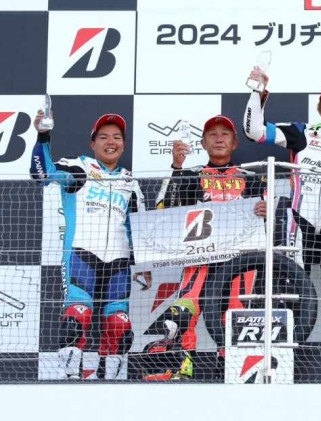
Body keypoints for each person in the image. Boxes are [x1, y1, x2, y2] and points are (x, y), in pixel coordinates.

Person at [243, 72, 321, 343]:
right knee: (290, 289)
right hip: (299, 222)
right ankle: (288, 350)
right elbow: (254, 131)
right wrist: (258, 94)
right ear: (320, 109)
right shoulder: (302, 133)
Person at [146, 115, 266, 379]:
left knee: (236, 312)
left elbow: (272, 221)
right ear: (202, 143)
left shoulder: (252, 178)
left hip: (240, 260)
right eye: (212, 134)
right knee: (185, 308)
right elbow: (163, 208)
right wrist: (177, 168)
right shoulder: (191, 175)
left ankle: (231, 370)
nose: (219, 139)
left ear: (235, 143)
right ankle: (183, 368)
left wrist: (266, 211)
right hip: (200, 257)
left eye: (225, 134)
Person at [30, 112, 145, 380]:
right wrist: (43, 136)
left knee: (119, 326)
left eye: (117, 137)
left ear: (123, 145)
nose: (111, 142)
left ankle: (109, 383)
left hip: (120, 262)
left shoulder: (130, 182)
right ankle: (71, 380)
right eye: (103, 137)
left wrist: (143, 265)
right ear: (93, 144)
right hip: (82, 255)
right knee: (76, 319)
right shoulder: (80, 168)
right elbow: (41, 174)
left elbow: (138, 229)